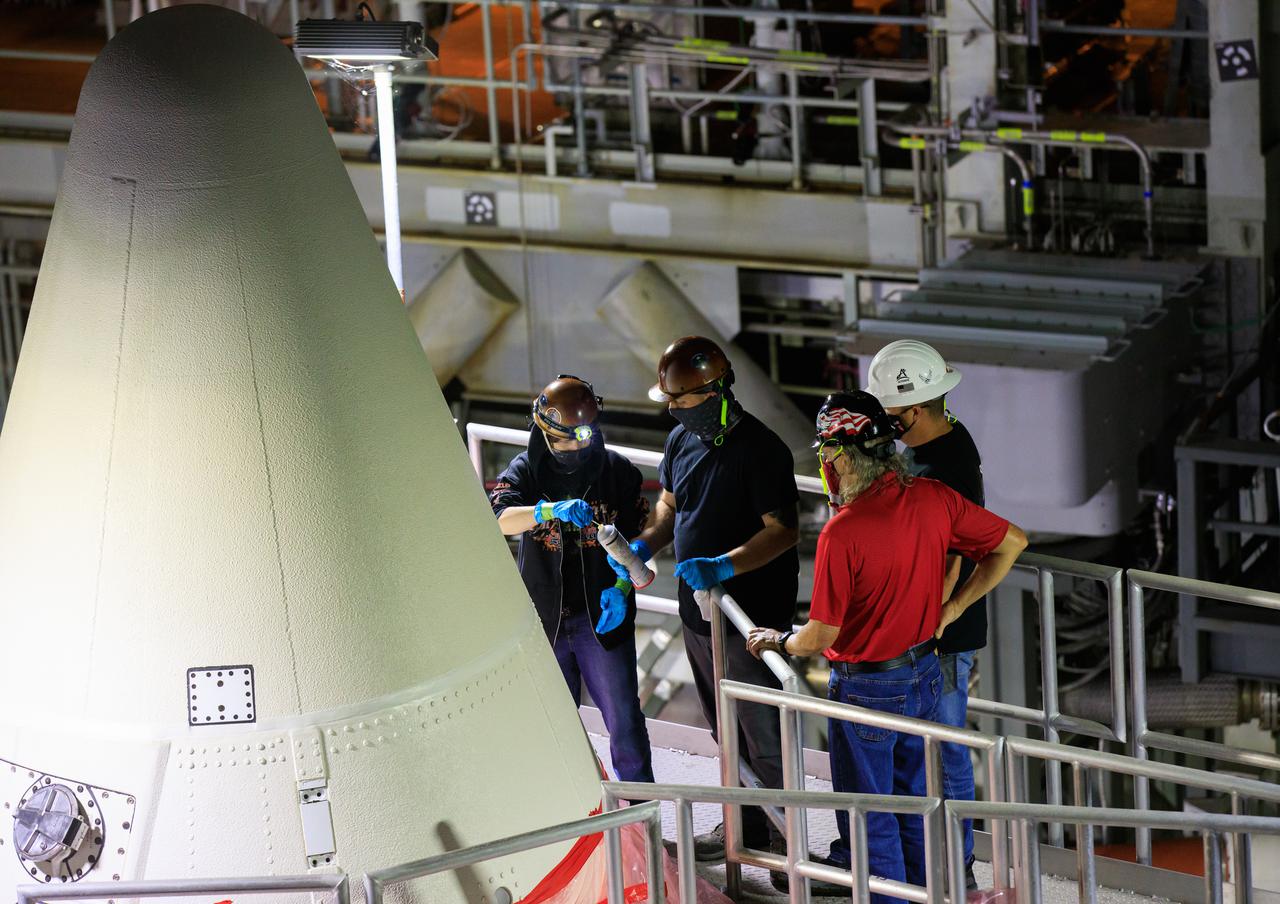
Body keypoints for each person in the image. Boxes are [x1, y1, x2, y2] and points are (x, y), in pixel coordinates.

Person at [746, 391, 1027, 904]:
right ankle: (932, 894)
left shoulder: (843, 532)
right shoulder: (932, 497)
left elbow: (822, 636)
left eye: (827, 456)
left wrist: (781, 639)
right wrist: (956, 607)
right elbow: (1012, 543)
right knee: (916, 803)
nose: (826, 466)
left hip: (867, 688)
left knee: (869, 815)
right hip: (924, 674)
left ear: (843, 458)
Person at [620, 336, 800, 876]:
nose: (674, 409)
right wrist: (644, 546)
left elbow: (783, 531)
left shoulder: (762, 450)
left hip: (750, 620)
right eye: (670, 401)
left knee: (763, 733)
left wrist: (725, 565)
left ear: (719, 390)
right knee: (725, 729)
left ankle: (784, 845)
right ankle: (743, 828)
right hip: (699, 614)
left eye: (683, 399)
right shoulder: (680, 441)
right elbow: (670, 505)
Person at [489, 375, 655, 786]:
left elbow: (642, 534)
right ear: (545, 431)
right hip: (546, 622)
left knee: (625, 725)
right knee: (553, 729)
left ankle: (642, 819)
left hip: (602, 618)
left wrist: (621, 587)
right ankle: (572, 827)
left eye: (585, 438)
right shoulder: (524, 471)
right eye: (567, 441)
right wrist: (547, 511)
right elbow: (500, 520)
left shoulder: (616, 472)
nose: (578, 448)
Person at [864, 338, 984, 885]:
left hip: (938, 633)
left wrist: (932, 619)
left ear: (914, 410)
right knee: (915, 747)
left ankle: (957, 864)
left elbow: (954, 559)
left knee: (945, 748)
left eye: (890, 414)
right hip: (914, 625)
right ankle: (925, 856)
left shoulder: (950, 462)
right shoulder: (932, 442)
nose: (884, 424)